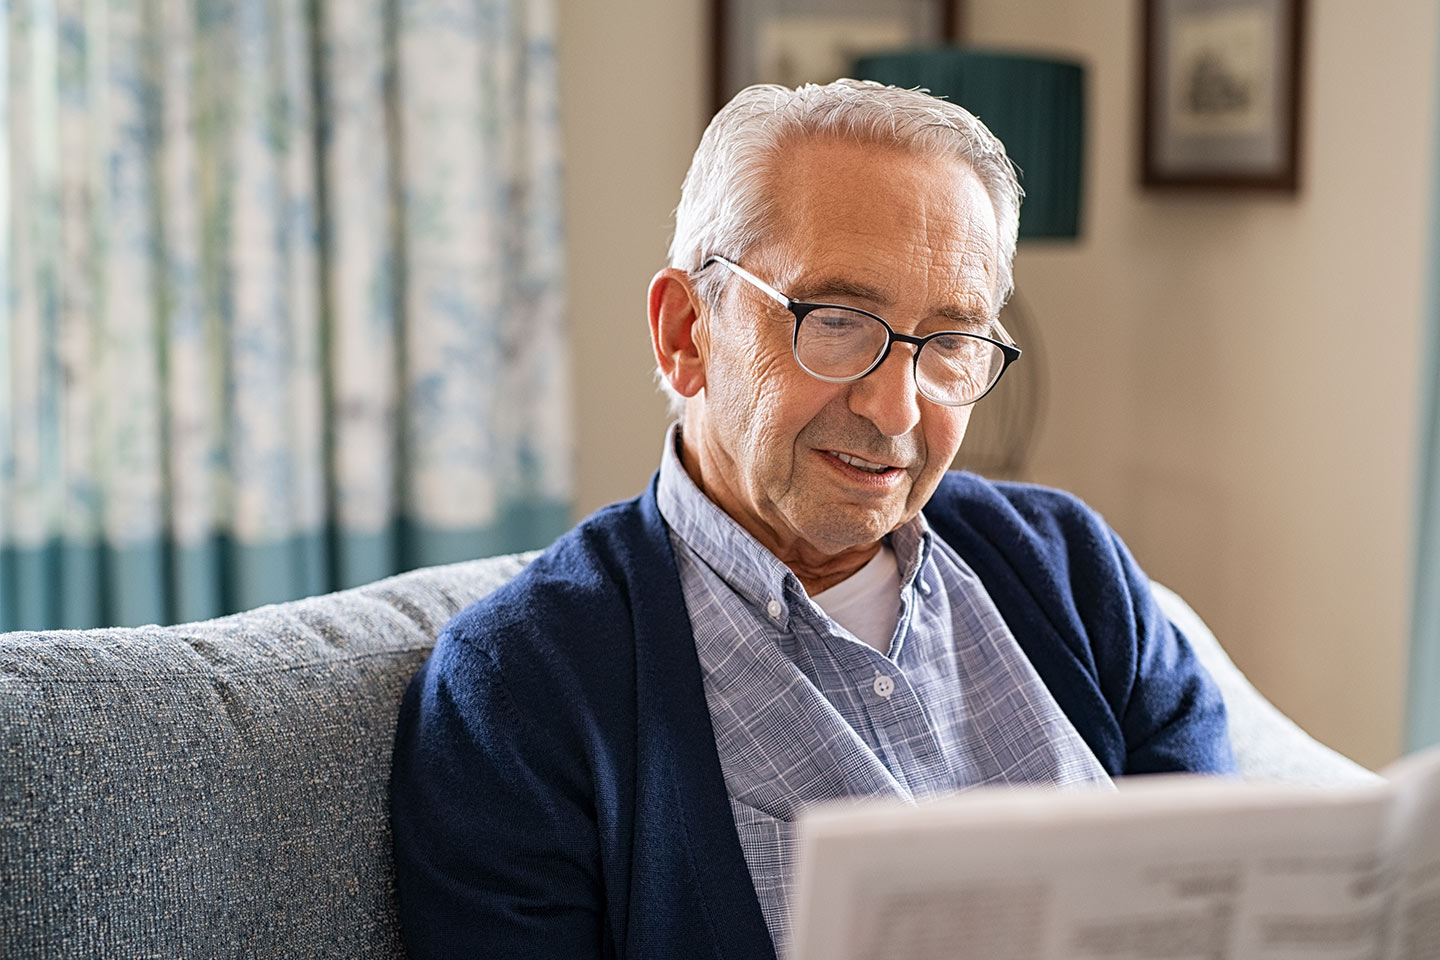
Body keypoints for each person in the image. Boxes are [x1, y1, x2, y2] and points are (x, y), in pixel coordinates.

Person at [390, 79, 1234, 960]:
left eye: (949, 343)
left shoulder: (1071, 568)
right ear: (686, 332)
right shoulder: (519, 690)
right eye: (837, 321)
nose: (896, 410)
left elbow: (1235, 893)